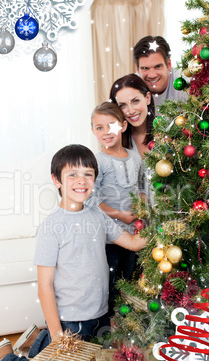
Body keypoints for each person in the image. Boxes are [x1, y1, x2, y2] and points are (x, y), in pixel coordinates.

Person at [0, 144, 146, 361]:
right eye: (73, 174)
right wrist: (58, 336)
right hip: (70, 321)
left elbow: (132, 242)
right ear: (57, 180)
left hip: (99, 316)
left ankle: (36, 341)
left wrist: (167, 231)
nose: (82, 180)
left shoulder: (98, 216)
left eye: (88, 174)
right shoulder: (51, 227)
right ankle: (5, 360)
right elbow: (44, 286)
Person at [90, 102, 146, 315]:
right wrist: (120, 214)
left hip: (134, 233)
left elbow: (140, 188)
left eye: (111, 125)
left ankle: (128, 323)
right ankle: (109, 324)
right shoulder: (97, 161)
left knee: (130, 278)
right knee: (111, 282)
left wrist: (141, 209)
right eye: (99, 127)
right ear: (93, 131)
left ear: (123, 126)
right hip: (109, 237)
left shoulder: (135, 157)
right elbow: (92, 200)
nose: (106, 132)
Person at [110, 74, 155, 204]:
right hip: (134, 220)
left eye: (135, 101)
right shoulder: (116, 143)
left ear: (147, 98)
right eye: (122, 106)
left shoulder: (169, 132)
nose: (130, 111)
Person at [133, 35, 187, 107]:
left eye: (158, 67)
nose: (152, 75)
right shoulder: (130, 87)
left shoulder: (186, 82)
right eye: (145, 68)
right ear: (137, 69)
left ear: (168, 64)